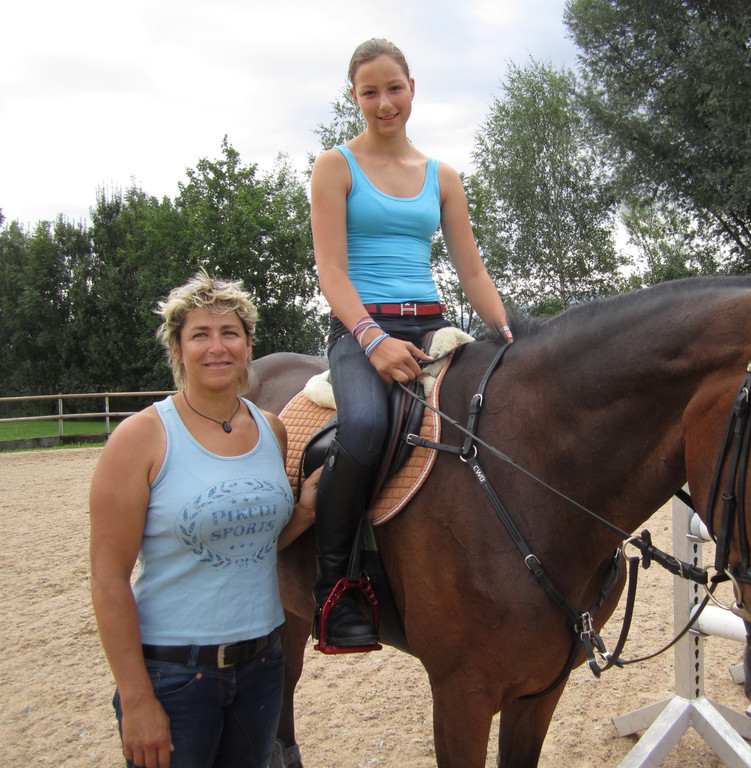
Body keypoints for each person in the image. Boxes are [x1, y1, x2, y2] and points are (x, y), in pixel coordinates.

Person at [310, 37, 513, 651]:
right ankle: (334, 587)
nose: (384, 102)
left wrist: (507, 332)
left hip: (430, 324)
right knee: (366, 426)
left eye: (393, 88)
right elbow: (330, 271)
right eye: (370, 92)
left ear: (412, 89)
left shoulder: (441, 176)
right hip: (360, 328)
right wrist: (372, 340)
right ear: (354, 97)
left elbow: (471, 269)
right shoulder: (335, 166)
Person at [89, 273, 318, 768]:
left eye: (230, 333)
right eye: (200, 335)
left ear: (248, 345)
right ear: (177, 348)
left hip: (261, 666)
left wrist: (302, 514)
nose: (217, 347)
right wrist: (136, 698)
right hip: (174, 673)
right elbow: (108, 578)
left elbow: (250, 547)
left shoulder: (271, 431)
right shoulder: (140, 438)